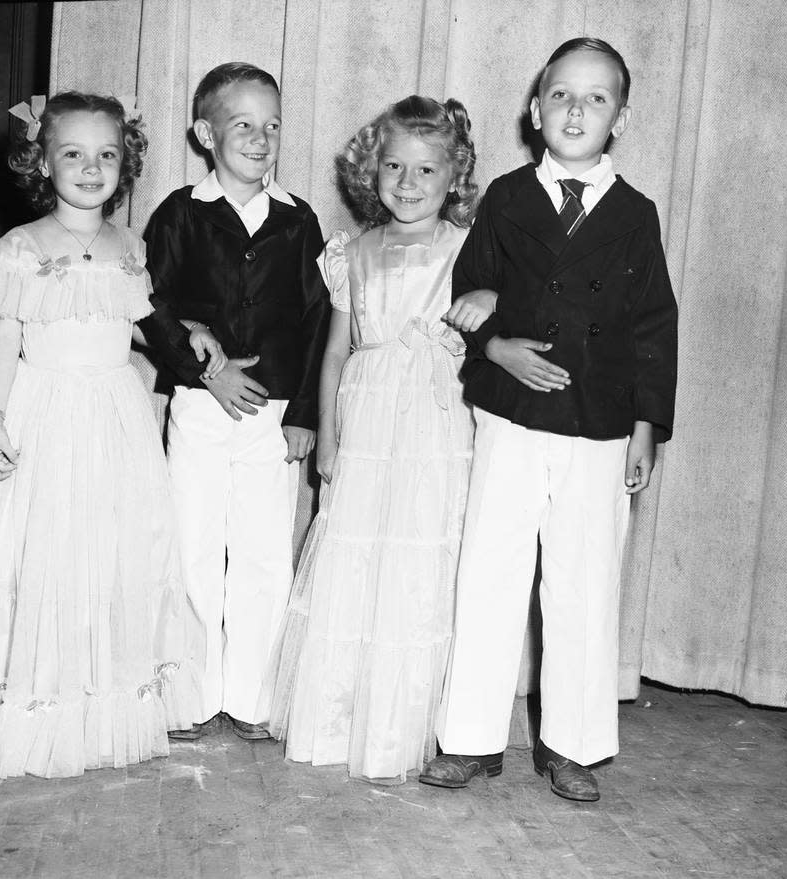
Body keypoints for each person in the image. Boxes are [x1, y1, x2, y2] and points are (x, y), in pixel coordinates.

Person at [0, 92, 221, 778]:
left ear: (123, 163)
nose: (91, 167)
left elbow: (128, 317)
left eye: (106, 155)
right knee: (39, 554)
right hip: (43, 414)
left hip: (114, 416)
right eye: (73, 153)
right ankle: (35, 705)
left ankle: (101, 703)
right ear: (41, 160)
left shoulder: (129, 245)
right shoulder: (21, 247)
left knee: (108, 550)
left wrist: (186, 334)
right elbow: (6, 336)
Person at [420, 37, 679, 802]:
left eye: (596, 98)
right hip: (515, 414)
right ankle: (470, 736)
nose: (576, 109)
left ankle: (573, 745)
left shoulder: (636, 214)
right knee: (490, 573)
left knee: (584, 583)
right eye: (562, 94)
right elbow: (473, 290)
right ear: (535, 109)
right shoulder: (506, 196)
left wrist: (645, 426)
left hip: (600, 424)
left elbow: (653, 327)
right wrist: (496, 348)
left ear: (620, 119)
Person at [263, 96, 486, 783]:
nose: (408, 182)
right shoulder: (352, 253)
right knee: (355, 553)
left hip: (435, 417)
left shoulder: (468, 247)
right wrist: (328, 434)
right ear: (371, 170)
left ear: (454, 177)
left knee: (422, 558)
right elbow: (334, 353)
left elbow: (503, 318)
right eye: (394, 165)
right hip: (365, 417)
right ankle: (337, 716)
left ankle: (404, 725)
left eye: (426, 169)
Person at [142, 63, 331, 740]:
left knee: (263, 552)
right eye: (242, 123)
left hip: (273, 417)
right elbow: (150, 304)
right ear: (205, 132)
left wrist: (306, 413)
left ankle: (252, 697)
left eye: (271, 124)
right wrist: (203, 372)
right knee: (193, 545)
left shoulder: (299, 220)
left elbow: (318, 325)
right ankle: (188, 695)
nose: (259, 137)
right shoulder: (180, 214)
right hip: (199, 410)